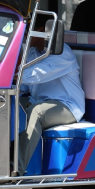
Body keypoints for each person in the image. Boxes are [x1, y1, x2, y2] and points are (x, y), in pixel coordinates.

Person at [18, 17, 85, 175]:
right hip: (39, 101)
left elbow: (37, 74)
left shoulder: (62, 53)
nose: (24, 36)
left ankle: (17, 168)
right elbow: (24, 85)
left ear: (41, 31)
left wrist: (13, 76)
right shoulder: (33, 52)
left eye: (27, 32)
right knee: (7, 104)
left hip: (67, 106)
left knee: (37, 112)